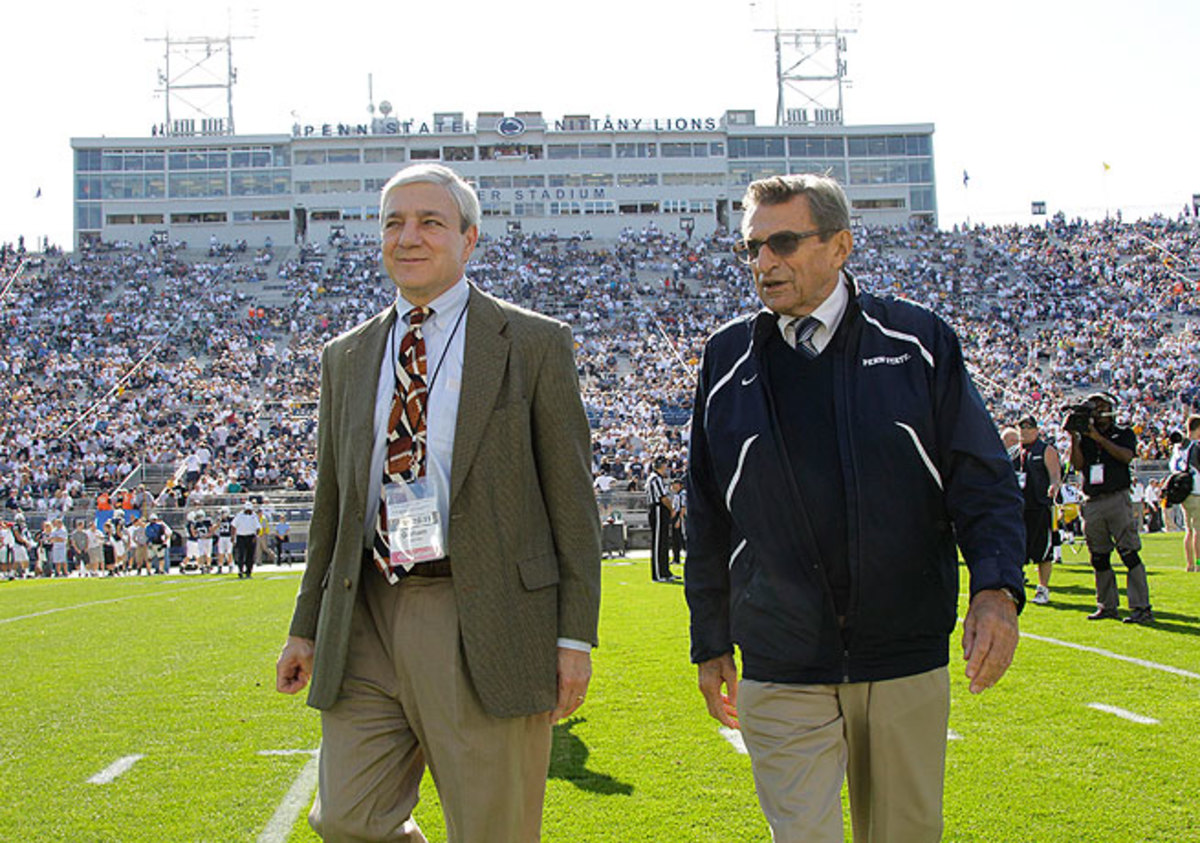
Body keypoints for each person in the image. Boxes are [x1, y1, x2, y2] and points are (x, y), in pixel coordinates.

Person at [685, 173, 1023, 843]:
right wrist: (710, 635)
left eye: (783, 241)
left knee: (905, 833)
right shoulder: (725, 359)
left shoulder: (918, 342)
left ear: (840, 246)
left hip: (902, 650)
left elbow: (980, 478)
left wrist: (996, 587)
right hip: (780, 657)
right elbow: (707, 509)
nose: (763, 261)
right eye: (751, 247)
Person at [274, 162, 601, 843]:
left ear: (469, 239)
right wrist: (306, 625)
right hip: (365, 607)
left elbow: (572, 502)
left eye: (429, 221)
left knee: (493, 827)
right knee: (347, 818)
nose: (408, 236)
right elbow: (331, 507)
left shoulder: (533, 343)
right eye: (394, 222)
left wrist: (573, 637)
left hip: (479, 608)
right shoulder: (347, 354)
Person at [1068, 392, 1154, 624]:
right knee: (1099, 556)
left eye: (1101, 407)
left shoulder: (1122, 433)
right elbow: (1077, 464)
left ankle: (1141, 606)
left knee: (1128, 552)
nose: (1097, 412)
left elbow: (1126, 457)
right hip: (1092, 500)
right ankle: (1106, 604)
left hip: (1117, 497)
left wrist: (1098, 438)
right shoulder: (1085, 438)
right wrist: (1074, 437)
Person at [1013, 416, 1062, 605]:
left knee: (1043, 550)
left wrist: (1054, 486)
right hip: (1020, 508)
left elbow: (1055, 474)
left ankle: (1043, 588)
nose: (1024, 432)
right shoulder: (1014, 453)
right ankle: (1017, 583)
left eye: (1028, 428)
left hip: (1039, 506)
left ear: (1036, 430)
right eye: (1021, 428)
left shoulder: (1045, 450)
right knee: (1017, 548)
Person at [1177, 415, 1200, 572]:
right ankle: (1198, 564)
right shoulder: (1196, 446)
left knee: (1189, 530)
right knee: (1198, 529)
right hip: (1197, 490)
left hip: (1183, 492)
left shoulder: (1179, 447)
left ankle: (1190, 564)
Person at [645, 456, 674, 582]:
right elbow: (663, 498)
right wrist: (672, 509)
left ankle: (665, 571)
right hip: (657, 509)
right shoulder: (655, 478)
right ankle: (657, 574)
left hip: (661, 510)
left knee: (664, 542)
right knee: (658, 543)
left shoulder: (659, 479)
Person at [231, 502, 260, 579]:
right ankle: (240, 570)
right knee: (241, 554)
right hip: (241, 537)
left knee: (250, 555)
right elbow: (233, 525)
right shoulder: (239, 516)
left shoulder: (254, 516)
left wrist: (255, 537)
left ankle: (248, 572)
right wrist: (233, 536)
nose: (248, 512)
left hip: (251, 537)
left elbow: (258, 528)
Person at [669, 477, 687, 571]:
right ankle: (676, 558)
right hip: (676, 516)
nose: (674, 486)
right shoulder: (676, 494)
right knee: (675, 539)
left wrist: (679, 520)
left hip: (681, 517)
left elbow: (683, 507)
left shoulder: (682, 494)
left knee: (682, 538)